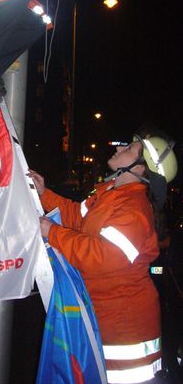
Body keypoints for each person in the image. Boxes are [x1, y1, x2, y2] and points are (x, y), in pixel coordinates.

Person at [28, 133, 178, 383]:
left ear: (140, 167)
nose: (121, 149)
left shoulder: (134, 208)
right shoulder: (111, 193)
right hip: (103, 320)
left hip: (124, 337)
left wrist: (52, 232)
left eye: (129, 148)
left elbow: (103, 257)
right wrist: (45, 194)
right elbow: (77, 217)